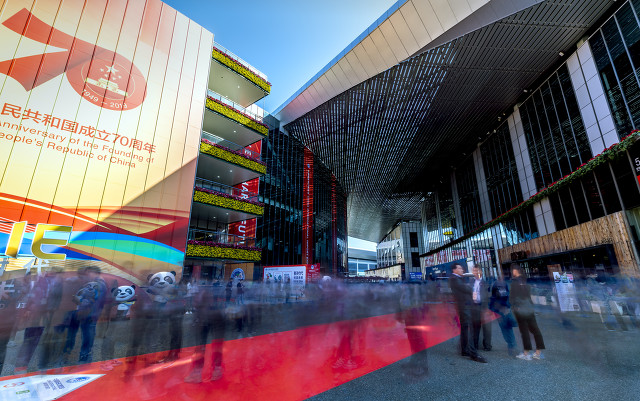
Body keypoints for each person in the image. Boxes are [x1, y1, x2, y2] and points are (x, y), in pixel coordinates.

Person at [449, 263, 486, 363]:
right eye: (460, 268)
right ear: (454, 270)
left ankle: (464, 350)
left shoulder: (458, 278)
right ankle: (473, 353)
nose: (462, 270)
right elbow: (466, 288)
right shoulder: (454, 278)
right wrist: (472, 288)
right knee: (470, 329)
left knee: (465, 329)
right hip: (464, 307)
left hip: (464, 306)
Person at [510, 264, 545, 360]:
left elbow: (513, 297)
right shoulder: (525, 280)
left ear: (515, 271)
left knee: (524, 331)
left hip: (520, 309)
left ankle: (526, 353)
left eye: (512, 270)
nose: (512, 272)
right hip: (529, 307)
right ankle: (538, 352)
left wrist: (515, 307)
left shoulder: (514, 282)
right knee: (535, 329)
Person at [489, 276, 518, 356]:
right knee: (506, 328)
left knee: (507, 328)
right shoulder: (496, 285)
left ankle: (512, 345)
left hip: (505, 310)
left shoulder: (505, 285)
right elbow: (494, 298)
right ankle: (512, 345)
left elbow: (508, 297)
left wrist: (508, 307)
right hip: (500, 310)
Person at [471, 266, 492, 352]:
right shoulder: (471, 282)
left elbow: (490, 294)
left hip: (484, 307)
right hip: (475, 306)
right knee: (475, 326)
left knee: (487, 328)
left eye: (477, 270)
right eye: (474, 271)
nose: (475, 272)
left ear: (481, 272)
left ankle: (487, 346)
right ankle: (475, 345)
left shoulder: (486, 282)